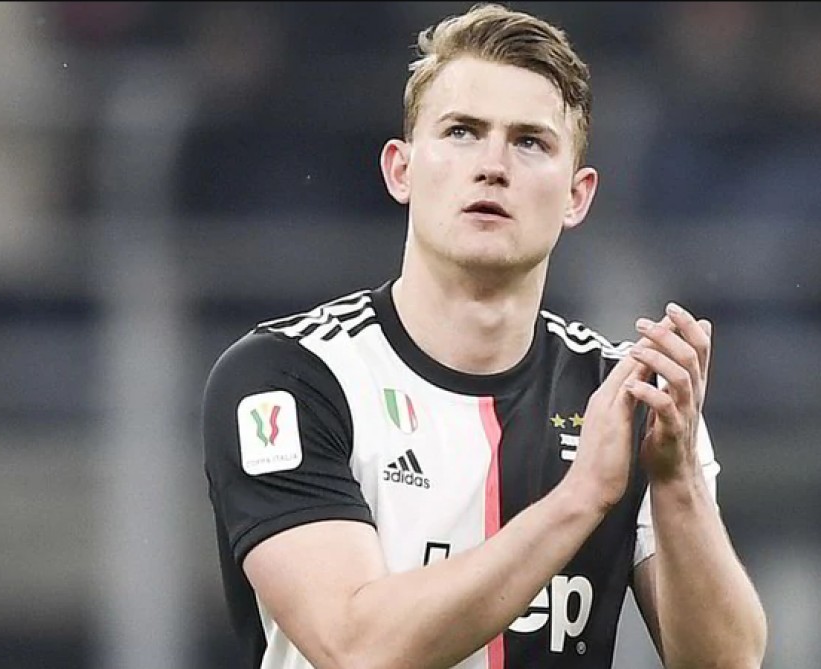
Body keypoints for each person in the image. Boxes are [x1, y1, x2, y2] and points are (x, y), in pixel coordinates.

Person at [201, 3, 768, 668]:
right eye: (462, 132)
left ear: (577, 196)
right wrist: (579, 498)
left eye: (530, 142)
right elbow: (357, 646)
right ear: (401, 170)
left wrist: (677, 483)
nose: (493, 165)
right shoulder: (288, 379)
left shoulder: (625, 399)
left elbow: (725, 663)